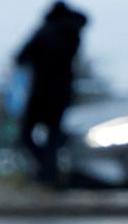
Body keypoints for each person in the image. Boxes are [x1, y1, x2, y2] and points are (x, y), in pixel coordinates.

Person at [14, 3, 89, 187]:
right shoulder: (73, 34)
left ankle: (45, 171)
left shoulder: (45, 32)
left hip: (41, 92)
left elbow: (21, 56)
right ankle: (50, 173)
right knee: (53, 136)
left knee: (26, 134)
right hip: (62, 93)